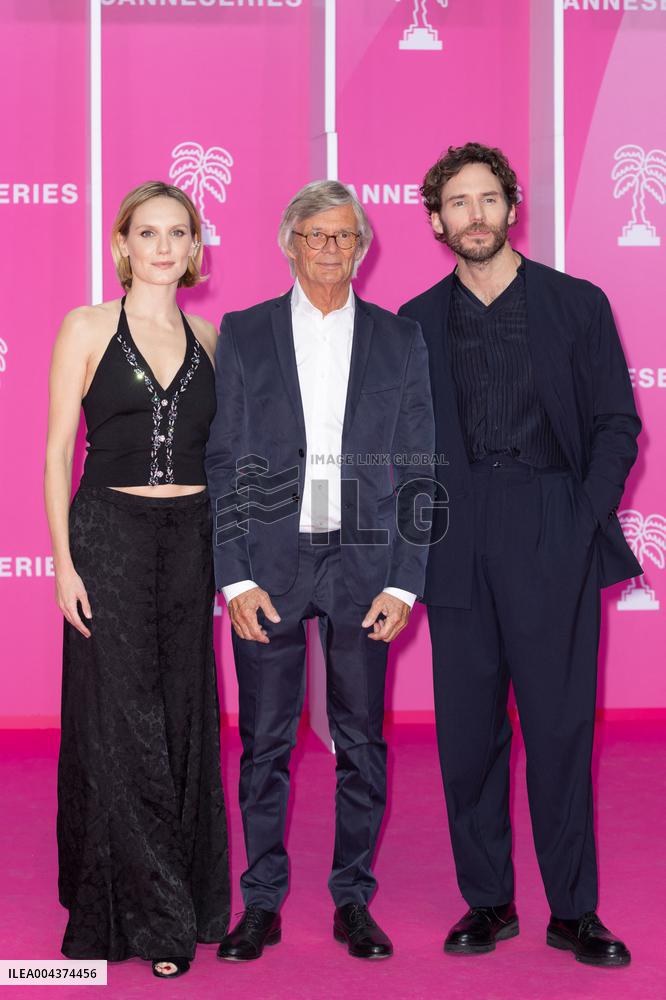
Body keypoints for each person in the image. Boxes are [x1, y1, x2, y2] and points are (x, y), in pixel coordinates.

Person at [399, 143, 640, 967]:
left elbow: (617, 424)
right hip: (456, 534)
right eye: (457, 203)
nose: (474, 215)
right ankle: (488, 902)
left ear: (512, 208)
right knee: (468, 734)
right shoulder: (415, 321)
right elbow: (396, 444)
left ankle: (575, 910)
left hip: (550, 521)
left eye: (487, 199)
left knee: (561, 729)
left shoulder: (577, 304)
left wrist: (578, 520)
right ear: (436, 220)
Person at [206, 180, 435, 962]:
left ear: (362, 249)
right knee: (265, 744)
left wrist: (406, 581)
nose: (331, 250)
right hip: (269, 566)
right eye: (316, 235)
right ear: (290, 243)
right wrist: (233, 577)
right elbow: (226, 459)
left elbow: (416, 463)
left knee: (361, 743)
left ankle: (352, 898)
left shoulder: (400, 340)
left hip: (365, 565)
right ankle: (261, 901)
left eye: (345, 237)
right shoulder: (245, 332)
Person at [45, 181, 230, 979]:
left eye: (177, 233)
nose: (162, 246)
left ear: (194, 248)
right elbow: (58, 451)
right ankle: (155, 919)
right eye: (147, 232)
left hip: (191, 538)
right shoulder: (85, 326)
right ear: (123, 243)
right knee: (122, 720)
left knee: (185, 711)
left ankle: (185, 887)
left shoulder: (213, 337)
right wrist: (62, 560)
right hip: (109, 535)